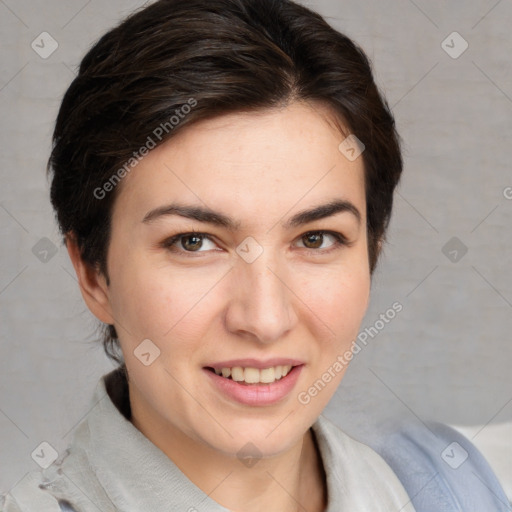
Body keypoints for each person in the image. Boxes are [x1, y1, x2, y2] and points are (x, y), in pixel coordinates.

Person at [1, 1, 508, 511]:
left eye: (316, 239)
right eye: (193, 242)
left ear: (372, 251)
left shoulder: (468, 489)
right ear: (93, 273)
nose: (265, 319)